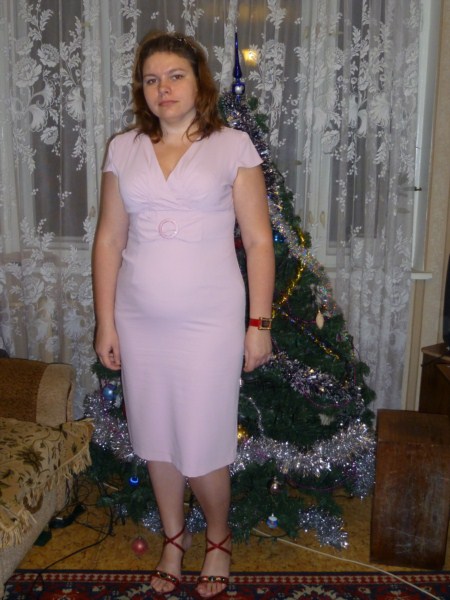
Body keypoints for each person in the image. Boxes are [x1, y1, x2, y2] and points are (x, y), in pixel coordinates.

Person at [92, 30, 275, 598]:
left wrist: (259, 325)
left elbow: (259, 242)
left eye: (175, 76)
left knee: (201, 442)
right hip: (139, 318)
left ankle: (218, 536)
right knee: (155, 437)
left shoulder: (232, 146)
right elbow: (108, 240)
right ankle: (175, 537)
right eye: (152, 79)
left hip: (209, 321)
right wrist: (105, 321)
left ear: (200, 84)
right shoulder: (123, 148)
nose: (163, 88)